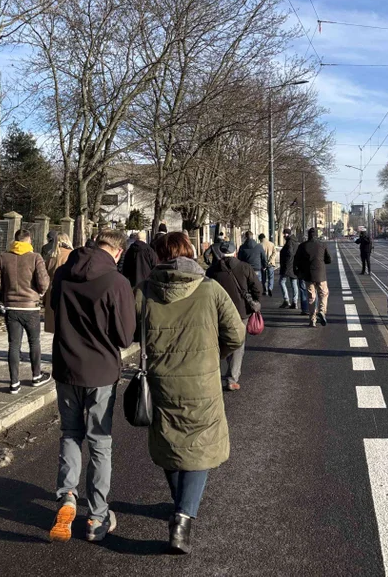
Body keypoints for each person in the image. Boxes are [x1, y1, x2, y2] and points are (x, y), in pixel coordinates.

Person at [135, 232, 245, 554]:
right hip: (203, 385)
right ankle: (182, 517)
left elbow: (128, 331)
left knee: (170, 442)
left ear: (158, 256)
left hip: (161, 383)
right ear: (189, 253)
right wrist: (214, 355)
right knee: (200, 447)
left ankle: (179, 503)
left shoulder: (144, 291)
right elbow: (236, 334)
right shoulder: (210, 289)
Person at [48, 230, 135, 544]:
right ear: (117, 252)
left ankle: (66, 497)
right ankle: (97, 515)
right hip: (100, 372)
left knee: (70, 433)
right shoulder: (116, 282)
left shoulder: (62, 273)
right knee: (99, 442)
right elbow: (125, 337)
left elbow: (54, 315)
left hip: (66, 367)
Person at [0, 228, 51, 394]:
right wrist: (40, 293)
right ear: (28, 241)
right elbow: (44, 282)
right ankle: (36, 376)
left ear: (15, 241)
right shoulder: (35, 257)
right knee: (34, 342)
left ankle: (14, 383)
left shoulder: (3, 257)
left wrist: (6, 292)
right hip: (30, 307)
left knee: (13, 345)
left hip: (11, 308)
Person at [205, 240, 261, 391]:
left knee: (218, 342)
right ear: (235, 252)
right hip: (241, 311)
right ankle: (232, 378)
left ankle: (213, 376)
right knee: (238, 343)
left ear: (221, 253)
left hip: (218, 311)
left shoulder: (212, 270)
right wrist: (254, 300)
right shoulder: (244, 267)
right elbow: (257, 288)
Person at [294, 228, 332, 327]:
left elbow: (296, 260)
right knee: (323, 294)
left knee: (311, 298)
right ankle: (322, 311)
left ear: (308, 235)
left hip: (308, 275)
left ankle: (312, 320)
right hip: (320, 274)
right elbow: (329, 260)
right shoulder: (322, 245)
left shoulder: (302, 246)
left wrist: (298, 272)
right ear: (316, 235)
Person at [43, 232, 74, 333]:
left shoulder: (51, 256)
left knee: (55, 325)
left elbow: (45, 275)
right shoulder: (72, 255)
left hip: (52, 290)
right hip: (67, 289)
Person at [278, 229, 298, 309]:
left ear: (287, 234)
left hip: (288, 266)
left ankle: (286, 300)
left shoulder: (289, 242)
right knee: (294, 283)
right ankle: (295, 302)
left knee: (281, 282)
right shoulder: (295, 242)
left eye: (284, 234)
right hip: (294, 266)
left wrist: (286, 265)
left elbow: (289, 254)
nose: (283, 236)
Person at [259, 233, 278, 297]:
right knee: (271, 277)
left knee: (263, 277)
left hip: (263, 264)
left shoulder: (259, 245)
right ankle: (270, 288)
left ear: (260, 239)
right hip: (271, 263)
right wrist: (270, 260)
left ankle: (265, 289)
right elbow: (275, 253)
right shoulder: (271, 244)